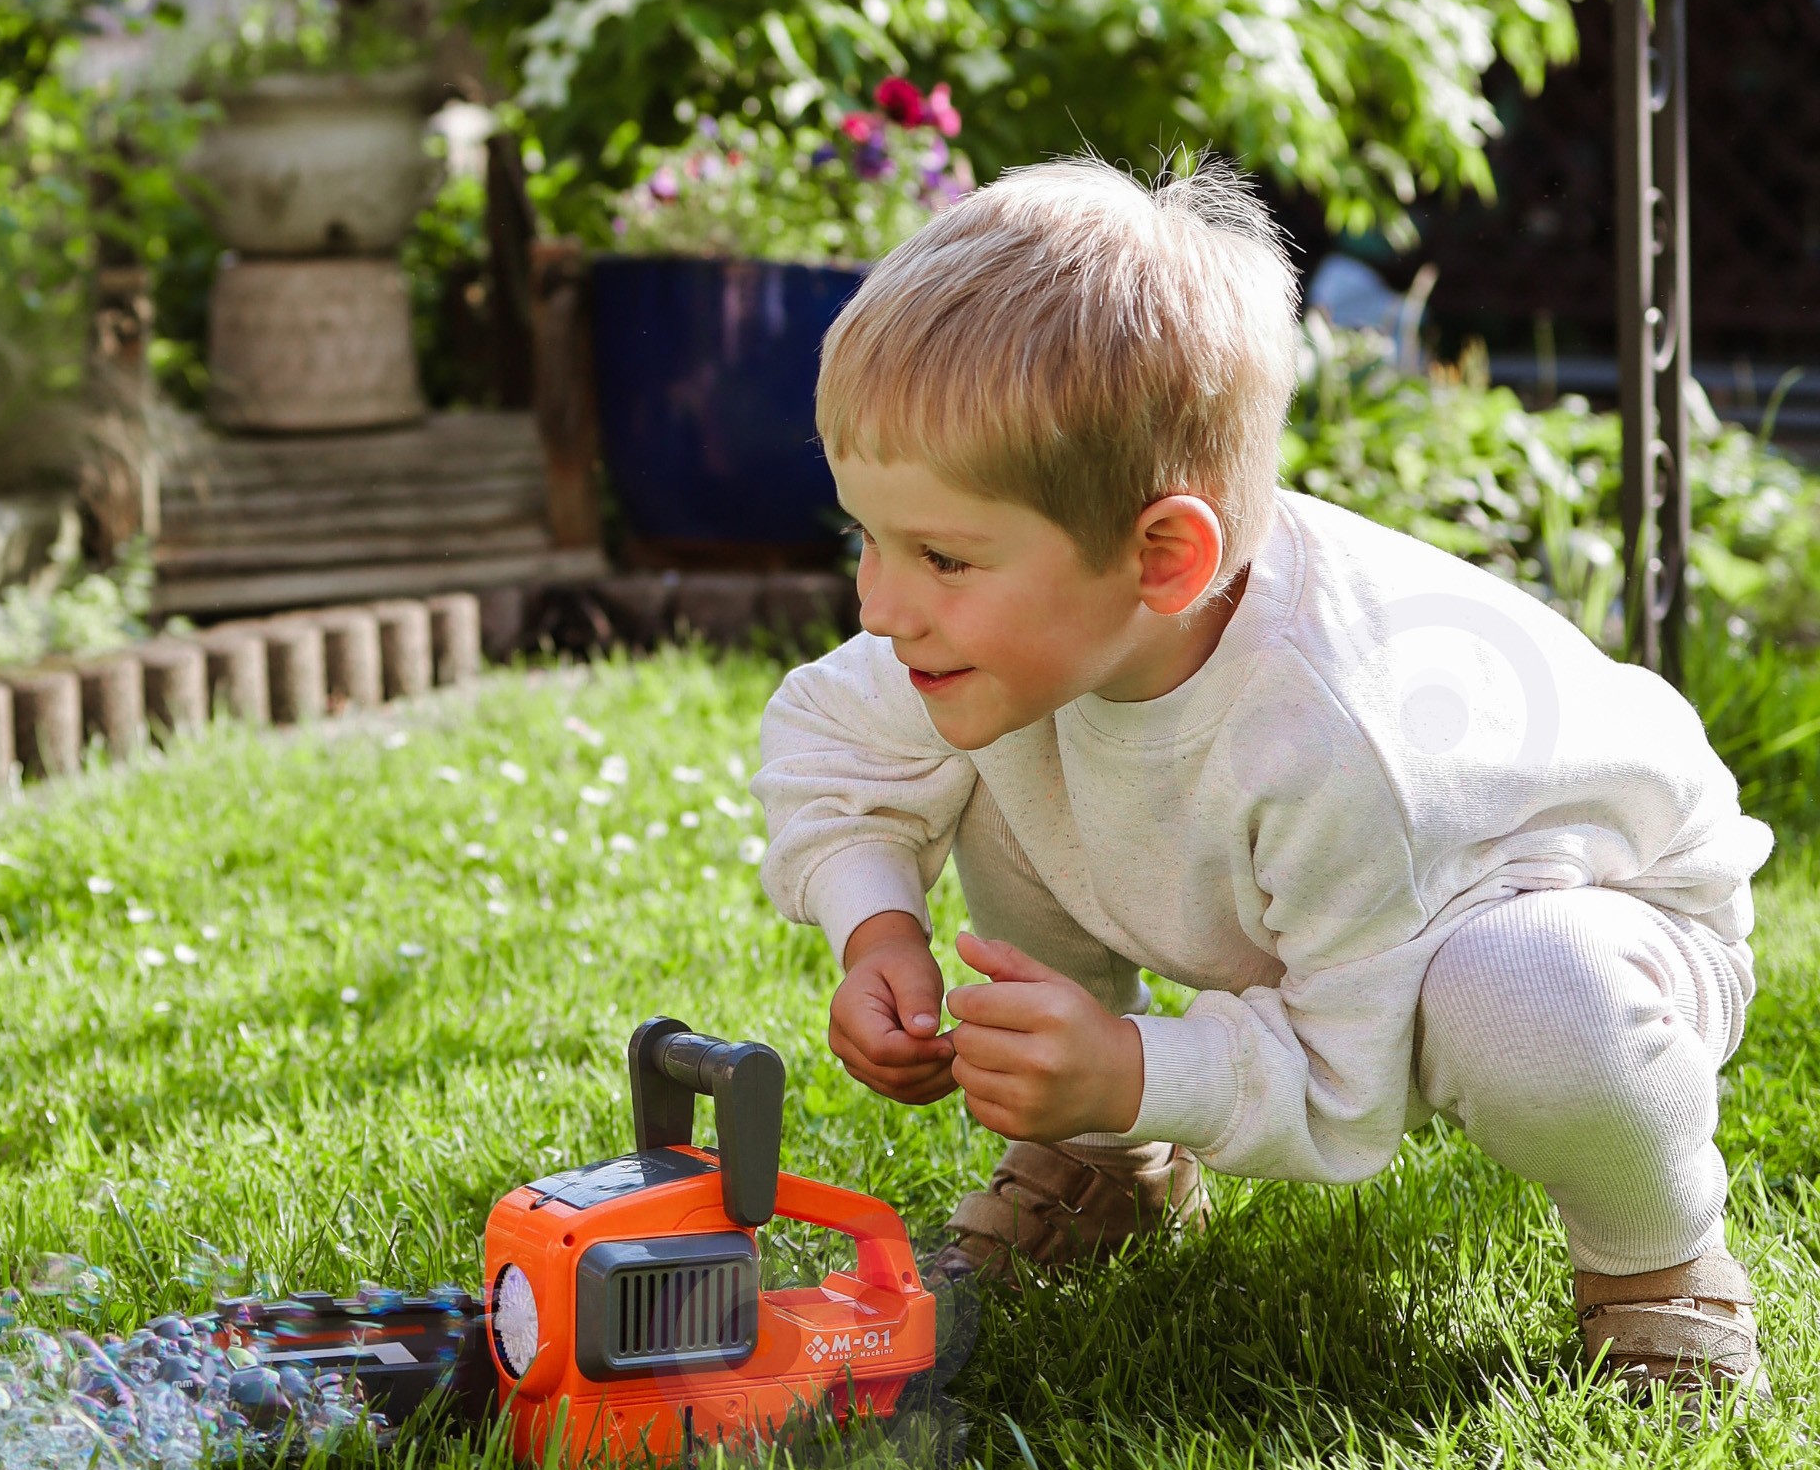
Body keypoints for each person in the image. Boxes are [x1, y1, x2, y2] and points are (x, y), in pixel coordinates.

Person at [752, 158, 1773, 1402]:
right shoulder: (1026, 634)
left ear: (1162, 558)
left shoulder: (1336, 738)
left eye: (942, 557)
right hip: (1325, 907)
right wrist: (877, 928)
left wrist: (1132, 1066)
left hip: (1583, 918)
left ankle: (1655, 1261)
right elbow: (832, 740)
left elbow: (1351, 1086)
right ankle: (1106, 1162)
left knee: (1525, 997)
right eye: (866, 537)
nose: (879, 604)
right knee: (991, 743)